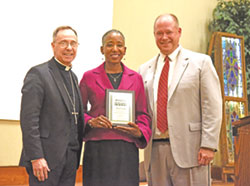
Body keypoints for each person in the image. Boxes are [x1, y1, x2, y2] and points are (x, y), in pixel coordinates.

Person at [138, 14, 222, 186]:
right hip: (154, 151)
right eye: (159, 33)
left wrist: (209, 145)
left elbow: (212, 107)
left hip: (192, 150)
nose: (164, 37)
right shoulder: (144, 69)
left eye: (169, 32)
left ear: (179, 32)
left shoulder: (201, 63)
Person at [79, 29, 151, 186]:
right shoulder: (88, 77)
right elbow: (78, 112)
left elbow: (143, 114)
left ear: (125, 50)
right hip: (97, 147)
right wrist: (91, 122)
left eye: (119, 45)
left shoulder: (136, 78)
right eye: (109, 45)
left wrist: (140, 131)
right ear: (102, 49)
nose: (115, 49)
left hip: (126, 148)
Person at [19, 26, 84, 186]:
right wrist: (36, 157)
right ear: (53, 45)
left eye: (73, 43)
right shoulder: (38, 74)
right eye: (63, 43)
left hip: (70, 157)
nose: (69, 48)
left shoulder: (73, 77)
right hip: (45, 159)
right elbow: (29, 120)